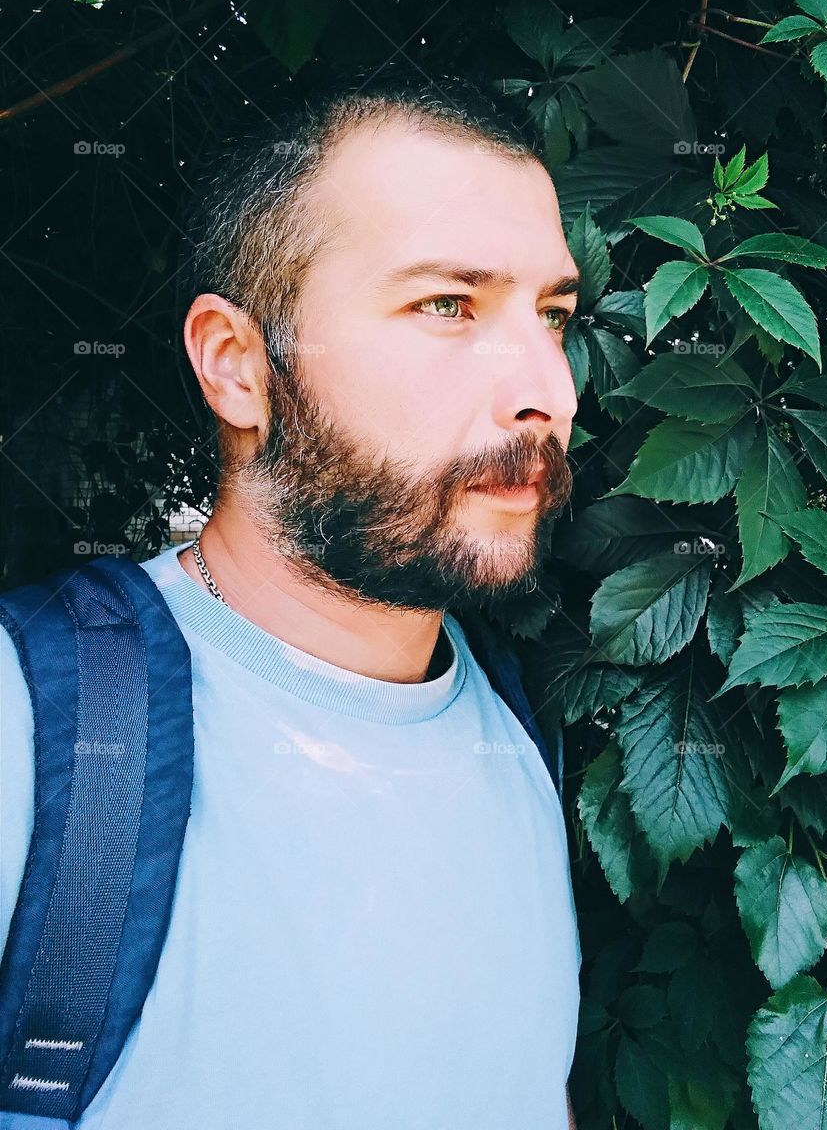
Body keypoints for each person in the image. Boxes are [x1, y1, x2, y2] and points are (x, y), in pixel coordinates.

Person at [0, 65, 583, 1128]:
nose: (547, 387)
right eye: (447, 304)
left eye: (553, 312)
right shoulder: (35, 728)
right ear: (235, 366)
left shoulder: (518, 740)